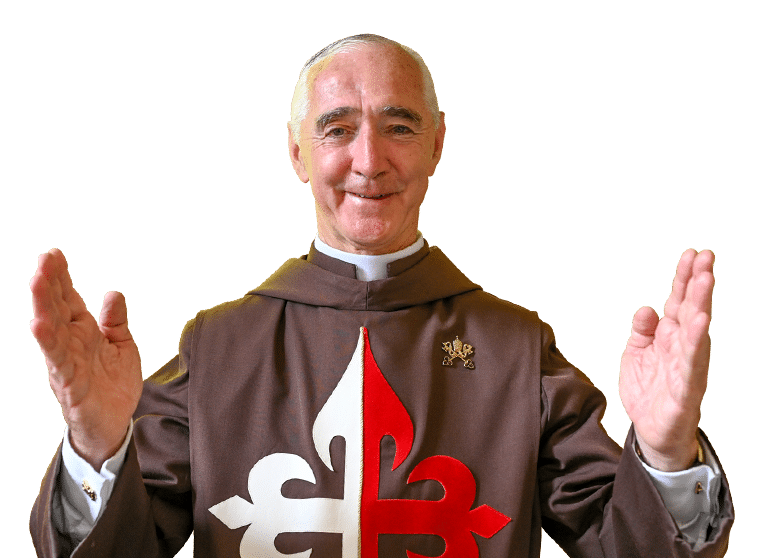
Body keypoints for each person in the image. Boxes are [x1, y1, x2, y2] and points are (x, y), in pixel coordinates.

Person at [30, 34, 733, 557]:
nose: (369, 161)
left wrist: (665, 450)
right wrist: (97, 445)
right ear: (298, 152)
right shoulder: (216, 349)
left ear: (437, 144)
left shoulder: (516, 349)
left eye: (399, 126)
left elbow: (629, 546)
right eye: (337, 129)